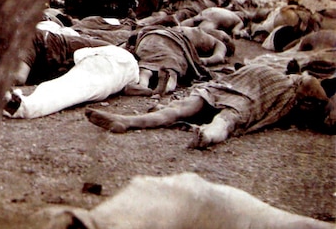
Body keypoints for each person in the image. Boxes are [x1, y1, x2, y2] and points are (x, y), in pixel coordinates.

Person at [85, 63, 333, 148]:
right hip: (245, 86)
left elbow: (308, 90)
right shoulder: (307, 98)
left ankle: (128, 121)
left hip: (256, 88)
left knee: (193, 110)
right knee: (225, 117)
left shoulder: (309, 90)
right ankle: (125, 121)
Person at [4, 44, 138, 119]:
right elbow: (135, 88)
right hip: (112, 68)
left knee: (69, 88)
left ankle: (20, 106)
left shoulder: (120, 54)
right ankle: (18, 104)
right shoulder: (130, 66)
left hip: (108, 62)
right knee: (71, 88)